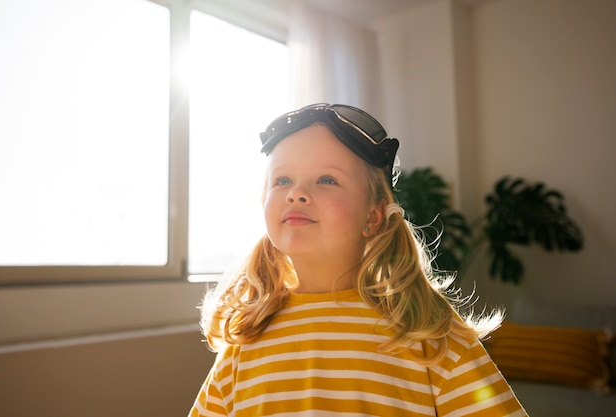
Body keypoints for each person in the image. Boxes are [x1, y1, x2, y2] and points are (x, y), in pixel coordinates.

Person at [188, 103, 526, 416]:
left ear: (374, 215)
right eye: (283, 180)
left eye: (326, 180)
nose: (296, 192)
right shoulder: (245, 339)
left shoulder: (427, 331)